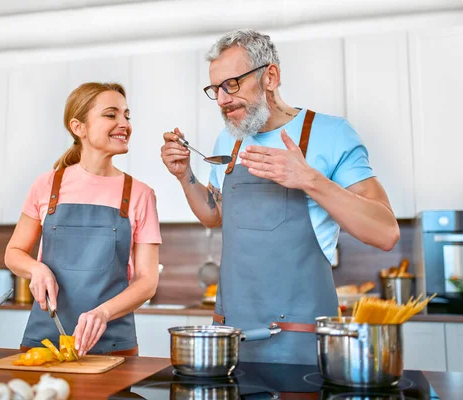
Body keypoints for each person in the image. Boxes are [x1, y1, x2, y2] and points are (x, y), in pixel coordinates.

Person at [160, 29, 400, 365]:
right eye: (215, 89)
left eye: (232, 84)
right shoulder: (228, 140)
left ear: (269, 76)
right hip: (232, 338)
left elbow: (386, 232)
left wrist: (310, 180)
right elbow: (215, 216)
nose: (223, 99)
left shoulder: (330, 134)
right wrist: (185, 176)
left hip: (303, 339)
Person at [5, 82, 161, 357]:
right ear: (79, 127)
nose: (124, 123)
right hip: (45, 342)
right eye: (111, 115)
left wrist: (104, 313)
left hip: (113, 343)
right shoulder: (47, 185)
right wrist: (36, 270)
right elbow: (13, 253)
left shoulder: (140, 194)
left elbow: (147, 281)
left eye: (126, 115)